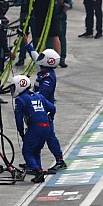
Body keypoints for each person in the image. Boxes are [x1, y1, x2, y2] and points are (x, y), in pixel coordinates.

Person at [23, 37, 68, 172]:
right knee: (36, 135)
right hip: (39, 108)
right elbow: (35, 56)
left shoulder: (48, 77)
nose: (40, 57)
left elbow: (42, 96)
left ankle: (59, 160)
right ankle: (32, 162)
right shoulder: (43, 70)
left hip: (44, 110)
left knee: (48, 135)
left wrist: (29, 96)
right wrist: (27, 44)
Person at [7, 75, 56, 183]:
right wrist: (50, 118)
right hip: (46, 127)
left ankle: (37, 170)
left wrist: (21, 132)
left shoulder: (20, 100)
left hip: (34, 127)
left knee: (27, 152)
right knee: (36, 150)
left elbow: (18, 118)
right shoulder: (39, 96)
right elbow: (52, 108)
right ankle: (39, 171)